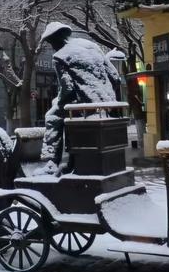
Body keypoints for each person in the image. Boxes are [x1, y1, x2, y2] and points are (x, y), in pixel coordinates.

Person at [38, 21, 123, 175]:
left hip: (87, 106)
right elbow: (115, 77)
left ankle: (51, 162)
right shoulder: (91, 46)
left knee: (53, 116)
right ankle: (72, 161)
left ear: (56, 40)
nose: (52, 47)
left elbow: (67, 89)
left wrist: (59, 103)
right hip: (109, 103)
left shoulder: (60, 56)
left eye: (51, 43)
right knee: (69, 113)